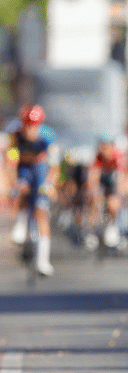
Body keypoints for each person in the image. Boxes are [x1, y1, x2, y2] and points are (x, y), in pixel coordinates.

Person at [7, 104, 58, 275]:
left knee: (41, 212)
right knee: (21, 190)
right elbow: (11, 161)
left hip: (40, 169)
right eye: (26, 124)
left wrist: (49, 184)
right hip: (23, 168)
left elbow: (55, 165)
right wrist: (14, 183)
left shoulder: (47, 136)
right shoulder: (15, 136)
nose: (29, 129)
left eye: (33, 125)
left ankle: (43, 260)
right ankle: (21, 222)